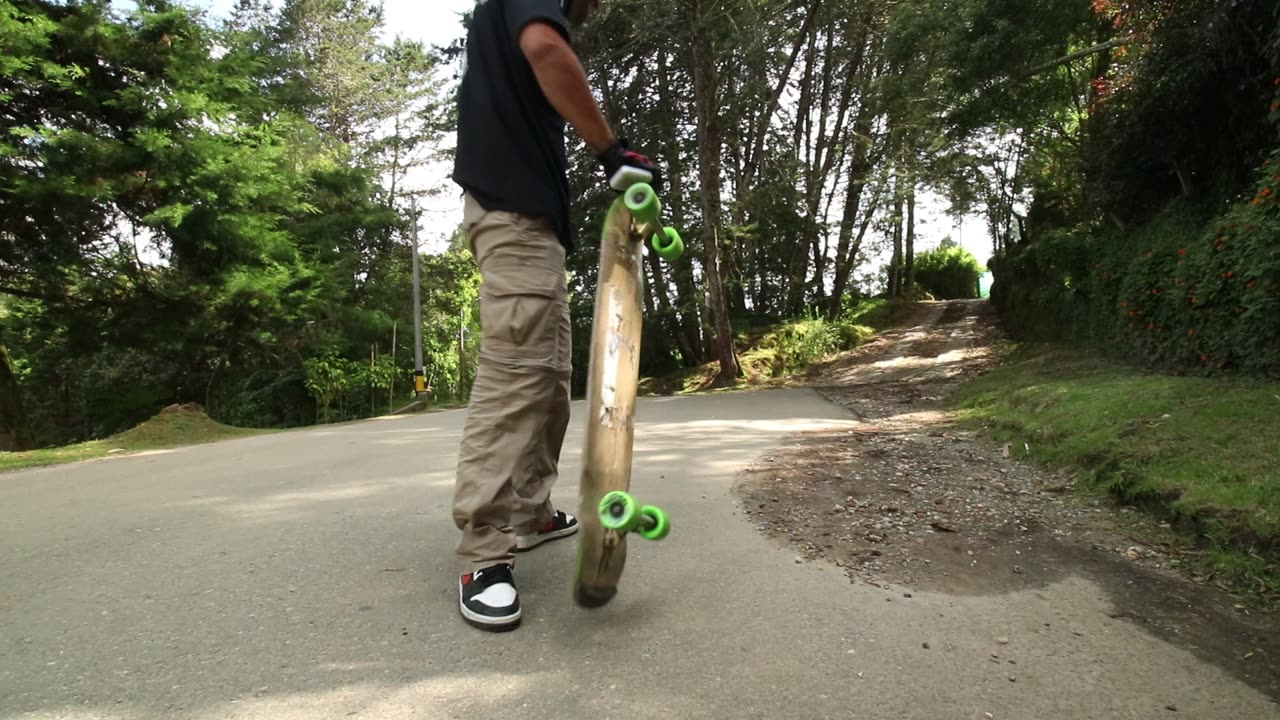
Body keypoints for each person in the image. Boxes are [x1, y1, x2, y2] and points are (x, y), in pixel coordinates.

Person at [449, 0, 663, 631]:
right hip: (512, 219)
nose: (594, 9)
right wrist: (613, 149)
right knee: (515, 381)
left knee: (547, 384)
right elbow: (547, 48)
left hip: (534, 229)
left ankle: (530, 512)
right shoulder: (532, 11)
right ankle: (483, 555)